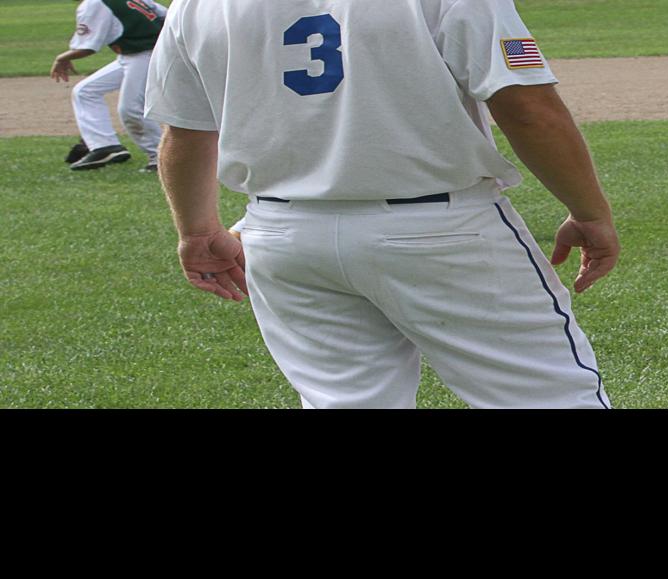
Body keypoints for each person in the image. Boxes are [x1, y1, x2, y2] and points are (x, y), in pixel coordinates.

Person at [144, 0, 618, 409]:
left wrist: (198, 230)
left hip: (282, 234)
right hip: (440, 229)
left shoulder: (197, 5)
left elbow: (185, 130)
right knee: (546, 395)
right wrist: (589, 212)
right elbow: (529, 110)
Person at [52, 0, 168, 172]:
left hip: (145, 55)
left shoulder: (93, 4)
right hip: (142, 54)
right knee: (85, 91)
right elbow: (166, 15)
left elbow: (88, 47)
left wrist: (61, 58)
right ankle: (104, 147)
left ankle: (160, 158)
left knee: (131, 109)